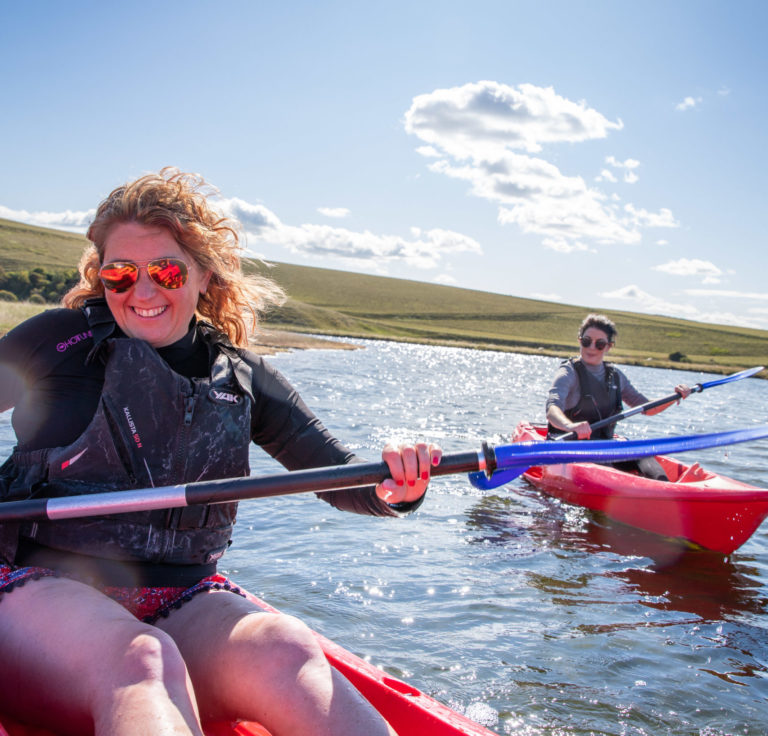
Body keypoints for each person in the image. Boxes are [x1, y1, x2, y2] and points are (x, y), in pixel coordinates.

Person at [0, 168, 442, 736]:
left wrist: (398, 484)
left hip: (181, 597)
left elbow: (344, 479)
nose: (142, 291)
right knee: (142, 660)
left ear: (204, 274)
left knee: (287, 647)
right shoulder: (56, 342)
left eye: (165, 270)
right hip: (35, 588)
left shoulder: (246, 378)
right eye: (120, 273)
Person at [545, 313, 691, 480]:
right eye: (586, 341)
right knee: (605, 463)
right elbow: (552, 409)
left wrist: (675, 396)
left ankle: (666, 488)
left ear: (608, 347)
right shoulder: (567, 373)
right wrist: (570, 426)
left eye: (599, 344)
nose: (591, 347)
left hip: (603, 447)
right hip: (570, 446)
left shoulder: (615, 376)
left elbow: (646, 408)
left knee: (642, 454)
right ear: (580, 341)